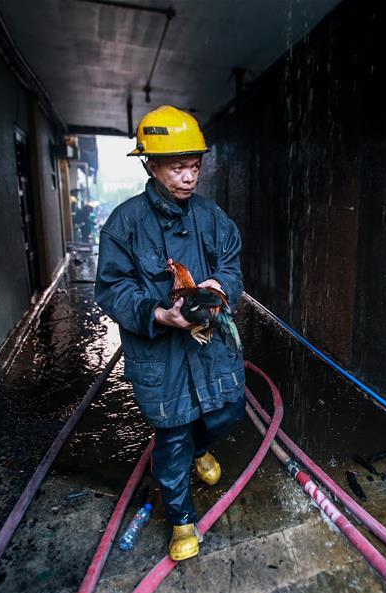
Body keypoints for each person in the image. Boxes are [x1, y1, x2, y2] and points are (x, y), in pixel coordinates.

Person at [94, 106, 245, 561]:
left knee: (228, 412)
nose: (188, 177)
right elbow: (111, 288)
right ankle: (181, 519)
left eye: (194, 166)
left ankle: (202, 449)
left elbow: (231, 261)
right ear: (150, 165)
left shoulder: (211, 216)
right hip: (160, 355)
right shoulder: (124, 224)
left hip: (210, 345)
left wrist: (222, 285)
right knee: (172, 434)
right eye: (177, 166)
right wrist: (158, 315)